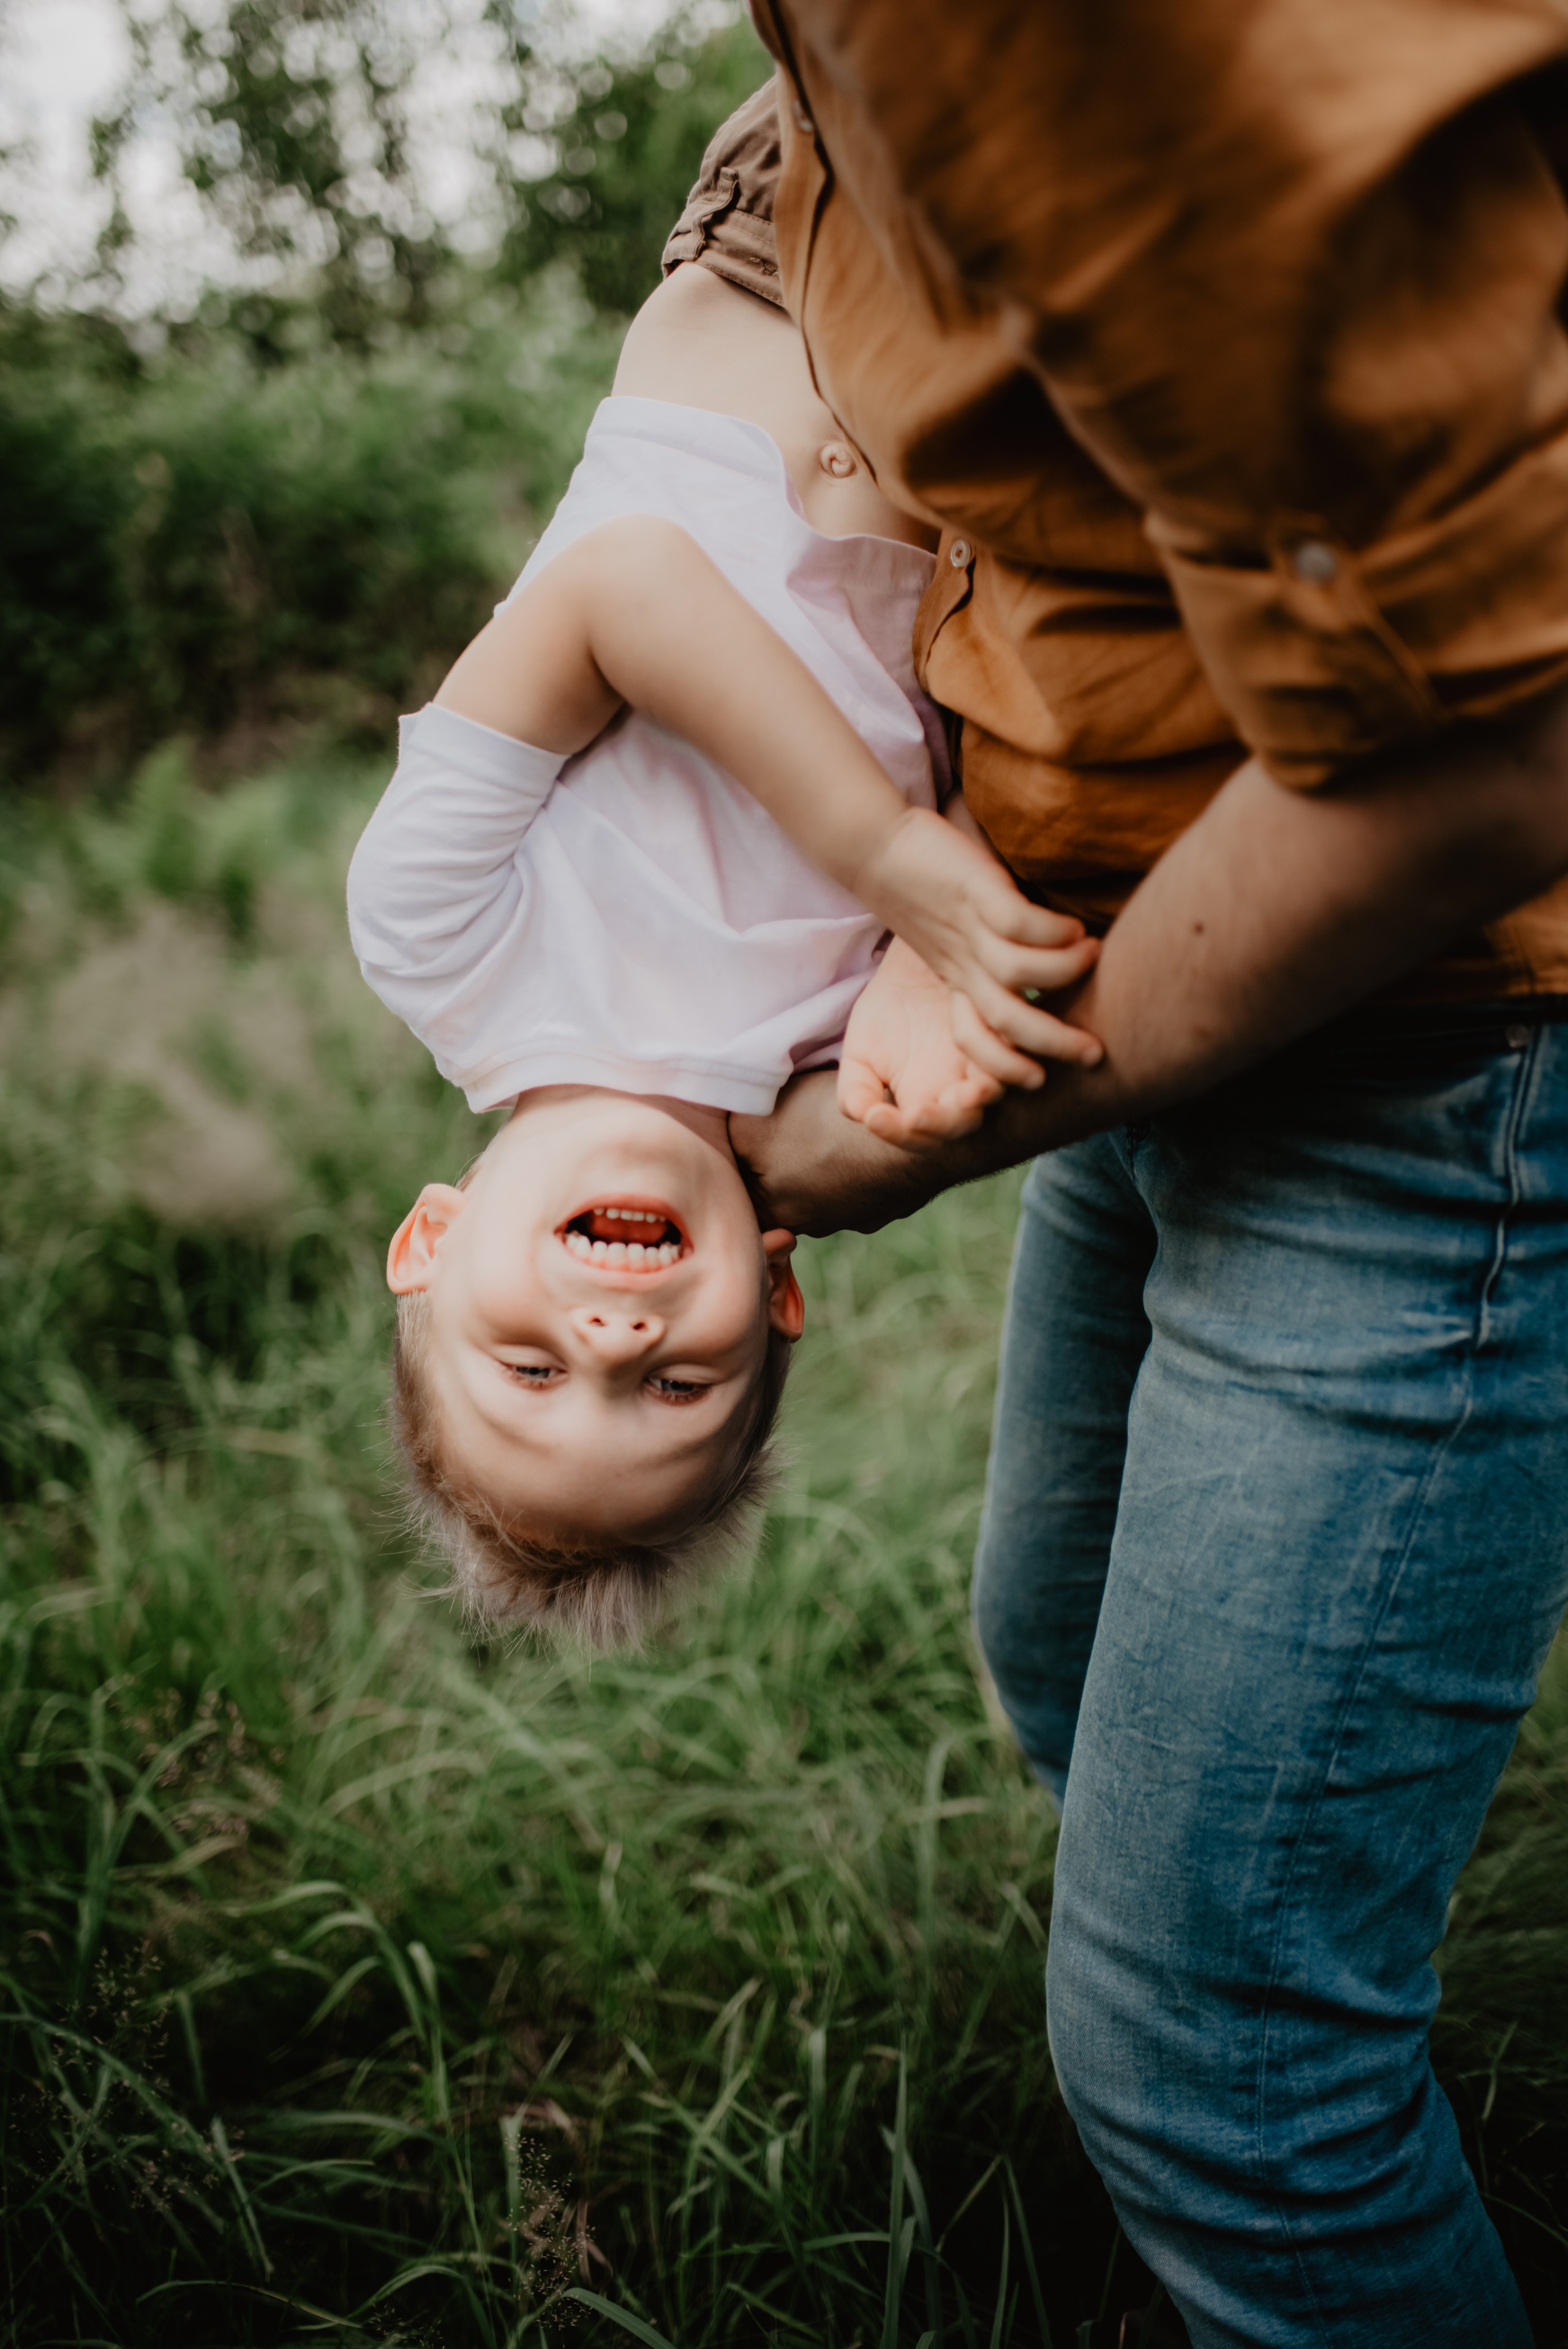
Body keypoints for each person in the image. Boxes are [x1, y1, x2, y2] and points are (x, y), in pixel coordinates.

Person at [670, 17, 1568, 2347]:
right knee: (1063, 1650)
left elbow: (1503, 744)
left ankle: (1300, 2176)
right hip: (1171, 961)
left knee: (1216, 2070)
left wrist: (909, 1120)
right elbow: (804, 186)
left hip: (1450, 1033)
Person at [345, 259, 1101, 1646]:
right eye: (674, 1395)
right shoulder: (827, 1069)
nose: (611, 1348)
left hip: (793, 266)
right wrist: (926, 963)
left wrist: (880, 851)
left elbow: (620, 591)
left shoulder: (439, 940)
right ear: (774, 1294)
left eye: (525, 1367)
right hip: (1013, 389)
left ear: (429, 1244)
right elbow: (1009, 795)